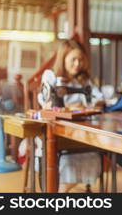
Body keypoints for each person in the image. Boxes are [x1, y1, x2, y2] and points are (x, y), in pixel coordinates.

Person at [38, 39, 105, 192]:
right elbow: (45, 101)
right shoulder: (51, 77)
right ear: (63, 59)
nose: (77, 64)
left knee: (91, 150)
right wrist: (64, 107)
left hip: (80, 130)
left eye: (81, 60)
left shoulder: (84, 80)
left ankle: (60, 191)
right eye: (73, 59)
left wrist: (91, 104)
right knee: (67, 155)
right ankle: (59, 190)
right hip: (55, 130)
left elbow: (98, 98)